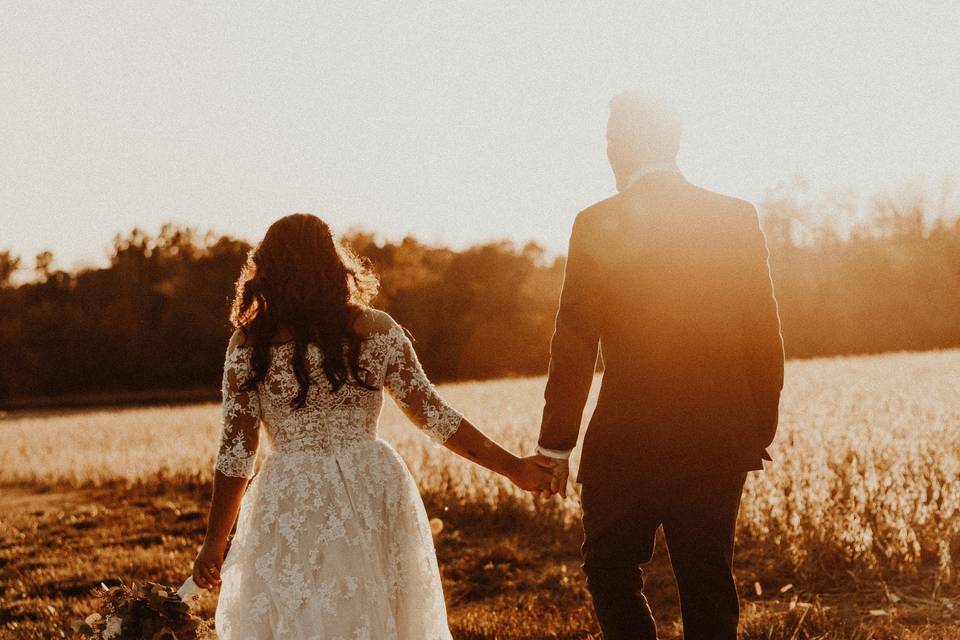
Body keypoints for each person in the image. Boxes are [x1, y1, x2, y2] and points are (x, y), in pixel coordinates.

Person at [191, 213, 554, 638]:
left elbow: (236, 453)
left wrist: (215, 541)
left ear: (267, 269)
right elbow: (435, 416)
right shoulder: (375, 329)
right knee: (376, 609)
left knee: (303, 613)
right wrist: (514, 468)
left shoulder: (249, 343)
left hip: (291, 492)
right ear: (334, 263)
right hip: (372, 481)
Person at [533, 92, 785, 639]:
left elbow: (573, 341)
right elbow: (764, 337)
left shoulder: (597, 222)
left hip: (628, 439)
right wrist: (753, 430)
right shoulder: (734, 216)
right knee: (707, 580)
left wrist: (556, 445)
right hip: (719, 437)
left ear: (617, 146)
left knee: (609, 568)